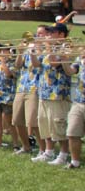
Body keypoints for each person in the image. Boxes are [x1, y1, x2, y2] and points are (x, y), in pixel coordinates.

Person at [30, 24, 76, 166]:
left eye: (52, 32)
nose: (48, 35)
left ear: (61, 35)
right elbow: (37, 65)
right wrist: (32, 52)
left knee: (58, 125)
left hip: (58, 93)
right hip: (44, 92)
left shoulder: (67, 47)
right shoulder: (46, 48)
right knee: (44, 123)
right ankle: (49, 152)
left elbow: (55, 63)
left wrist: (48, 46)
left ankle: (63, 154)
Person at [64, 54, 83, 169]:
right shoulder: (80, 58)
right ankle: (75, 162)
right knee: (72, 132)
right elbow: (70, 71)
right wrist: (65, 60)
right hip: (79, 101)